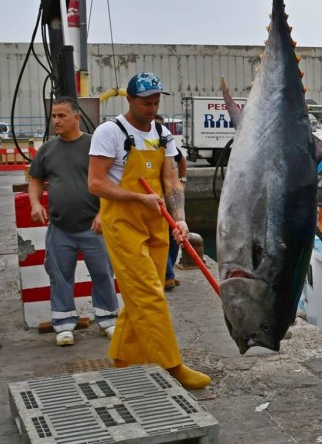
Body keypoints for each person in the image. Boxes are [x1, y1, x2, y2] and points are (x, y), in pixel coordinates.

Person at [88, 72, 210, 390]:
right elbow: (96, 183)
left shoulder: (162, 133)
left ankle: (124, 359)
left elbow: (170, 180)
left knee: (141, 295)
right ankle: (172, 364)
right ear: (129, 100)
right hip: (123, 222)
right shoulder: (110, 132)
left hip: (156, 221)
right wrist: (138, 197)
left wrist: (180, 219)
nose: (152, 109)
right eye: (146, 103)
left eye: (156, 102)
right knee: (150, 295)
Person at [28, 97, 120, 346]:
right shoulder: (47, 150)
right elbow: (35, 179)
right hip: (60, 227)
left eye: (61, 116)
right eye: (54, 116)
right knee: (59, 275)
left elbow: (111, 181)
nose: (56, 121)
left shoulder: (95, 146)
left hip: (94, 227)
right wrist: (35, 203)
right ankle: (63, 324)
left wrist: (103, 213)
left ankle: (108, 319)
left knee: (103, 272)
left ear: (76, 118)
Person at [154, 114, 186, 291]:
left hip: (169, 201)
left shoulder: (166, 142)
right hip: (154, 203)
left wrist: (183, 179)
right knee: (162, 240)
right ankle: (167, 275)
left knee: (173, 240)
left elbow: (181, 160)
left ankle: (168, 272)